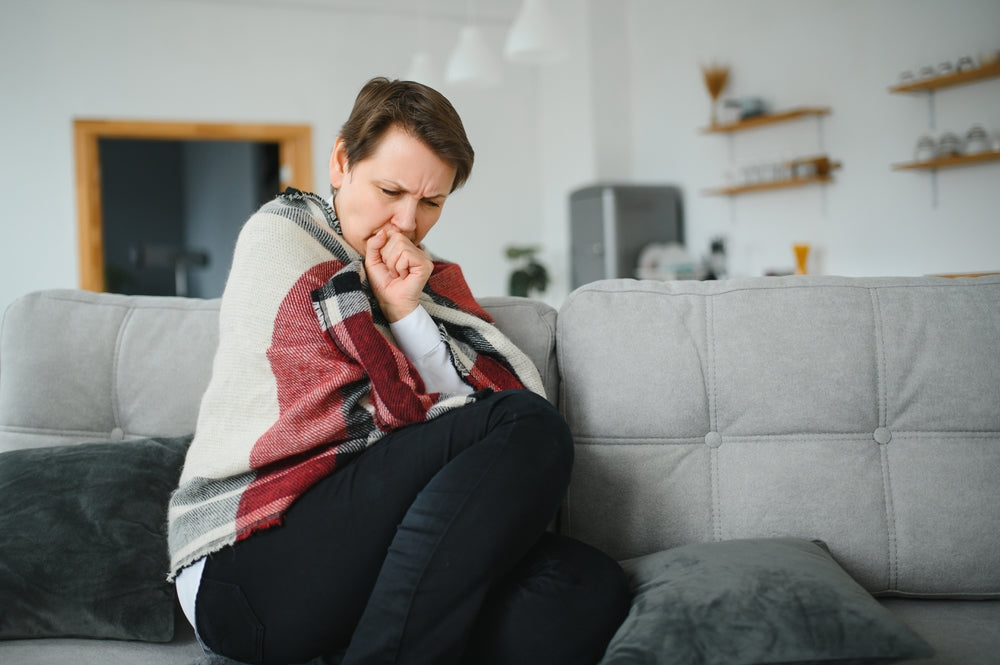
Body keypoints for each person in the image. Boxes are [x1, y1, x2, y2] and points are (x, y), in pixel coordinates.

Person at [167, 77, 629, 665]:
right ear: (340, 162)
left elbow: (458, 432)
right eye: (390, 190)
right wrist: (390, 322)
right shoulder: (282, 241)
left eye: (431, 202)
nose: (408, 221)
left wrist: (405, 311)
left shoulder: (427, 283)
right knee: (529, 427)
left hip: (362, 560)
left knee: (586, 585)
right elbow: (438, 424)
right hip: (247, 567)